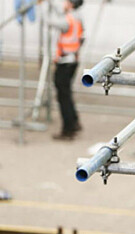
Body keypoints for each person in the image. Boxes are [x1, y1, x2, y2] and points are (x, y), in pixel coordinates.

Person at [48, 0, 84, 140]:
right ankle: (74, 122)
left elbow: (49, 22)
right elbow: (59, 12)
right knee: (67, 93)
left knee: (63, 96)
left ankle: (68, 129)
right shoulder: (76, 17)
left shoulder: (68, 20)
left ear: (71, 3)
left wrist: (40, 8)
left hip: (65, 62)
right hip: (72, 60)